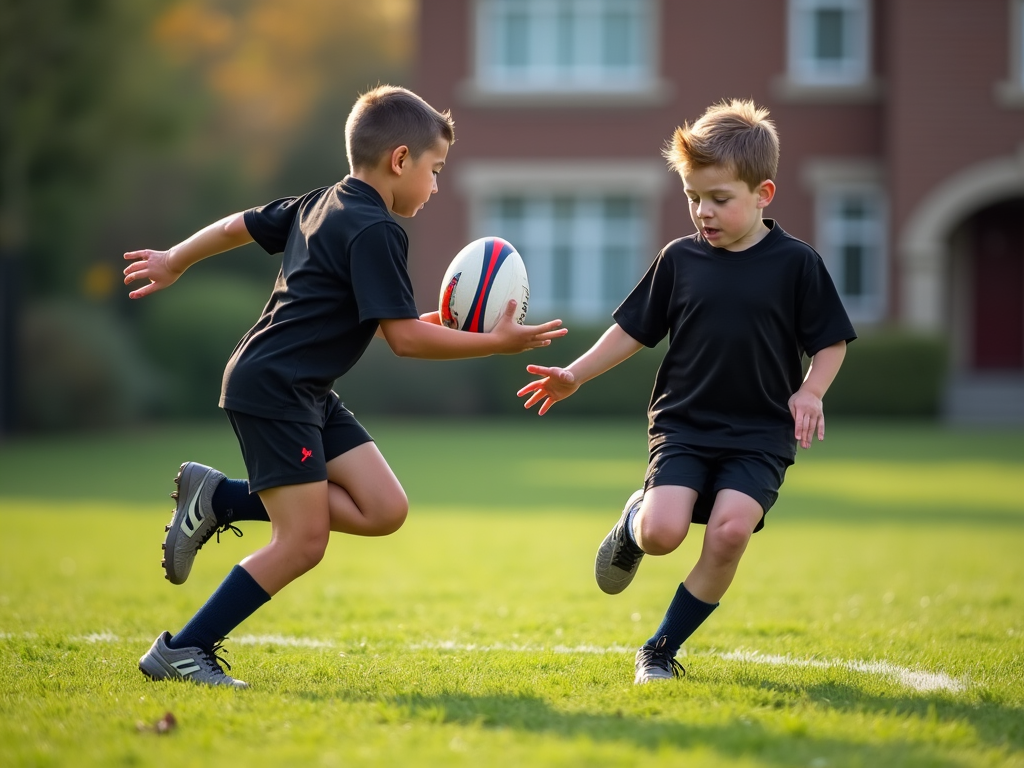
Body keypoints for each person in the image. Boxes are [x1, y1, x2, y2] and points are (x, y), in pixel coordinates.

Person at [124, 85, 566, 688]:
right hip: (276, 387)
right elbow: (406, 341)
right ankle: (185, 647)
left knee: (384, 508)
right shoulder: (378, 230)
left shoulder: (321, 203)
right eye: (435, 171)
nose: (437, 187)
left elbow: (239, 227)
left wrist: (176, 257)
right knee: (303, 541)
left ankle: (222, 498)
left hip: (301, 387)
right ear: (400, 160)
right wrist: (497, 342)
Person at [518, 99, 855, 684]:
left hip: (759, 434)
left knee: (729, 533)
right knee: (662, 533)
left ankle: (659, 650)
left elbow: (831, 341)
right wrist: (574, 373)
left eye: (719, 199)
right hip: (686, 424)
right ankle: (634, 521)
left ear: (763, 194)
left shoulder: (798, 265)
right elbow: (632, 331)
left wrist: (811, 391)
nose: (703, 211)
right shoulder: (680, 260)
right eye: (693, 197)